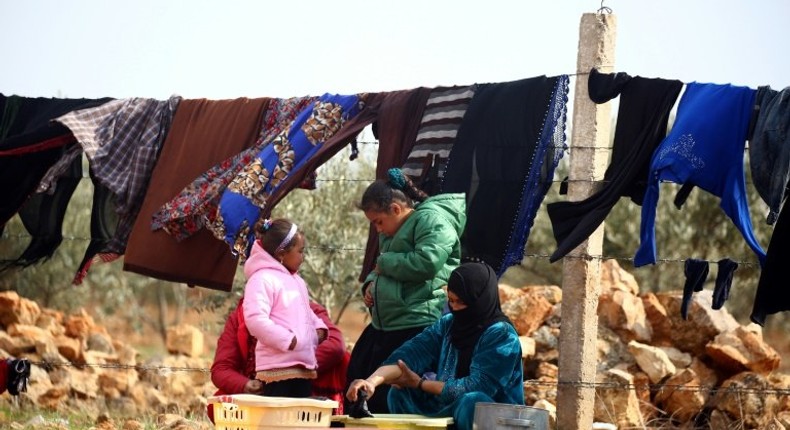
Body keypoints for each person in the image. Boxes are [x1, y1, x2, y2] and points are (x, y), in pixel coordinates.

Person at [346, 261, 524, 430]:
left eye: (460, 302)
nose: (454, 308)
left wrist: (420, 384)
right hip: (449, 405)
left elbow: (475, 387)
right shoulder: (449, 324)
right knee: (399, 394)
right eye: (451, 301)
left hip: (496, 418)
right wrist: (371, 382)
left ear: (479, 301)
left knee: (473, 402)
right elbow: (411, 354)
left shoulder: (502, 335)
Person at [346, 168, 466, 413]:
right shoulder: (394, 229)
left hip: (417, 318)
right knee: (358, 373)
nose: (378, 230)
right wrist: (370, 284)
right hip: (389, 321)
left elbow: (428, 262)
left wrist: (384, 264)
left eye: (379, 222)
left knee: (392, 394)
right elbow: (382, 264)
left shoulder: (433, 220)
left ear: (396, 209)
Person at [207, 298, 349, 423]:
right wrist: (246, 384)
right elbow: (221, 368)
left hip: (304, 385)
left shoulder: (306, 308)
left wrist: (291, 367)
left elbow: (335, 345)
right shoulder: (240, 317)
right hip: (262, 388)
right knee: (220, 403)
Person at [242, 218, 328, 397]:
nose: (303, 257)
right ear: (282, 253)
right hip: (277, 367)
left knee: (299, 420)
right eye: (300, 251)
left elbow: (304, 311)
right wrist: (287, 340)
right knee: (279, 419)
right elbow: (255, 320)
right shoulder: (262, 279)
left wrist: (318, 328)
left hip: (302, 365)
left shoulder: (296, 280)